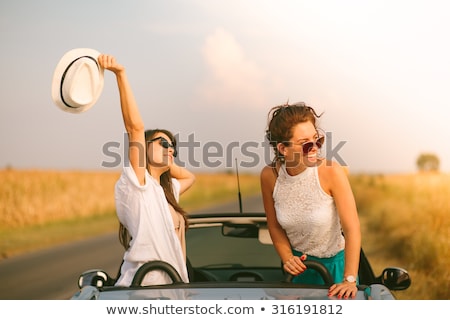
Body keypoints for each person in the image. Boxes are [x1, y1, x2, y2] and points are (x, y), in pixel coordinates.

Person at [98, 54, 195, 286]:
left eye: (173, 146)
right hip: (145, 284)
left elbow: (190, 177)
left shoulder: (166, 190)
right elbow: (135, 127)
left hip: (174, 286)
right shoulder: (138, 184)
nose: (170, 148)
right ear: (143, 149)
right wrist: (120, 75)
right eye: (162, 143)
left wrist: (166, 156)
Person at [260, 102, 361, 299]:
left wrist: (349, 279)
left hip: (337, 271)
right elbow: (274, 226)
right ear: (283, 149)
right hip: (298, 272)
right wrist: (287, 258)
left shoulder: (332, 171)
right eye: (306, 143)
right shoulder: (269, 176)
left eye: (317, 140)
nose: (315, 148)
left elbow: (352, 228)